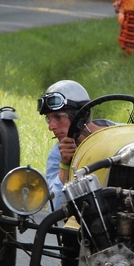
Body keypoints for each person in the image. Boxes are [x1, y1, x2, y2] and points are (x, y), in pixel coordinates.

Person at [38, 80, 110, 211]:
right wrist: (65, 165)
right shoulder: (57, 154)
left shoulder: (119, 133)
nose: (51, 127)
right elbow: (55, 207)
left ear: (80, 115)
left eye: (58, 117)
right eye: (49, 119)